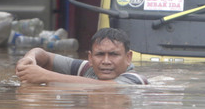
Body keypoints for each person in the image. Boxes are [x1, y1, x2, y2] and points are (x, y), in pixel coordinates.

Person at [15, 27, 148, 85]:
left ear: (128, 58)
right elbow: (44, 56)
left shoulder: (135, 79)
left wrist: (43, 76)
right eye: (100, 54)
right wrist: (30, 59)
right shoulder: (88, 69)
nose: (106, 61)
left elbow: (110, 88)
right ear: (90, 58)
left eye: (114, 55)